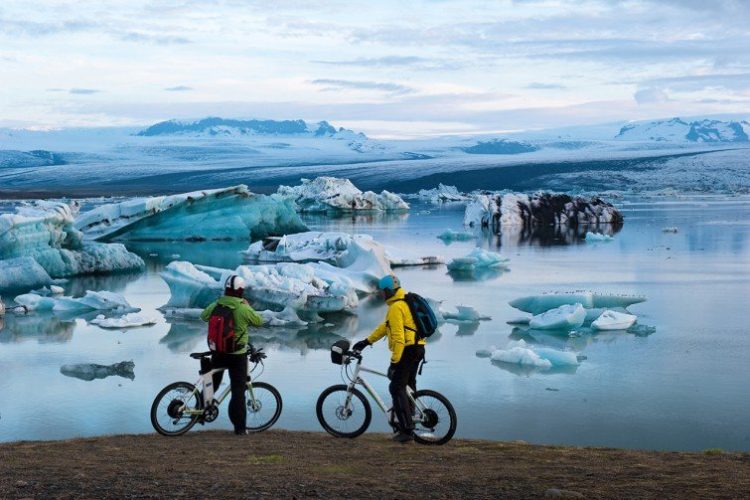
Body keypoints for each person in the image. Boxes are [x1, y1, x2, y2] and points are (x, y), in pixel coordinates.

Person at [353, 275, 426, 443]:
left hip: (408, 350)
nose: (381, 295)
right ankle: (411, 416)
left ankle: (407, 430)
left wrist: (394, 363)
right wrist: (366, 342)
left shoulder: (396, 308)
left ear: (387, 290)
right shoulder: (402, 303)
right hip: (418, 348)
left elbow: (399, 339)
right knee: (408, 386)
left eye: (382, 291)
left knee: (396, 387)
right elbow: (385, 327)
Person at [200, 275, 263, 435]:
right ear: (240, 291)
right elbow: (258, 321)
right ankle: (240, 428)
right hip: (237, 355)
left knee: (211, 382)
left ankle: (200, 412)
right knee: (238, 391)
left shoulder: (217, 304)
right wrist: (247, 306)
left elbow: (204, 316)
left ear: (226, 290)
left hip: (218, 352)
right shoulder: (243, 307)